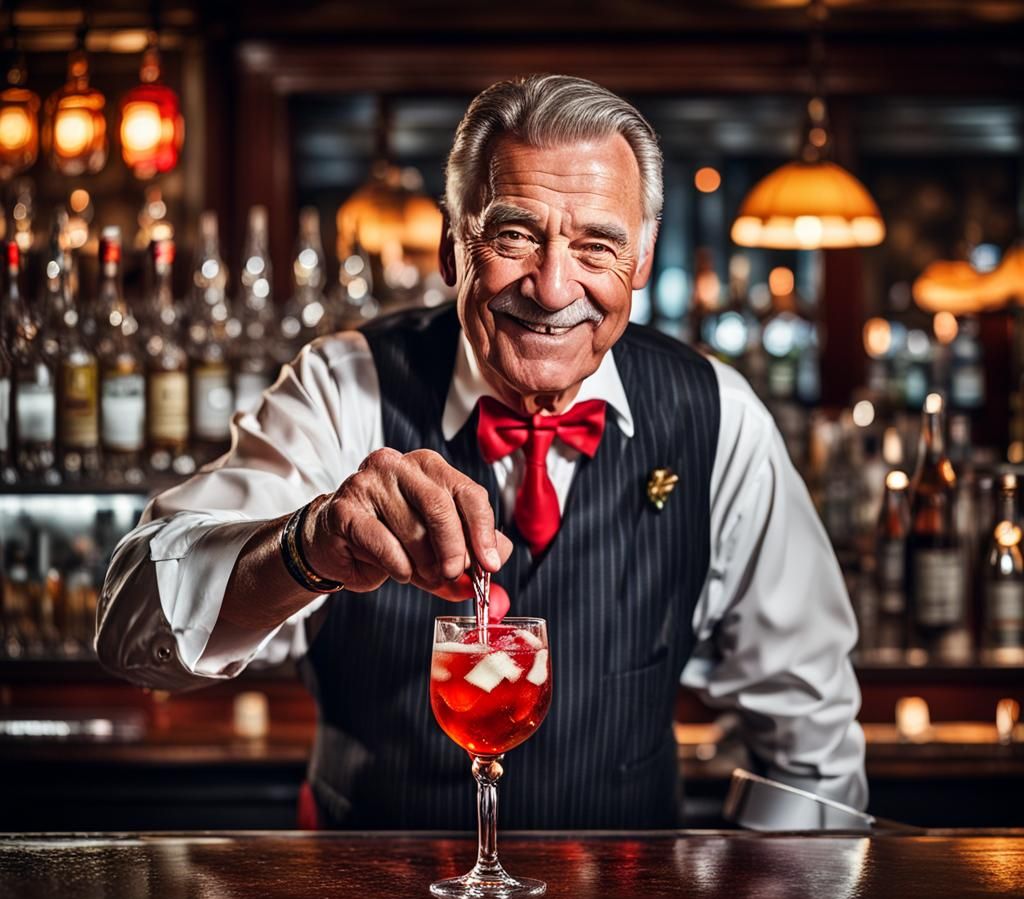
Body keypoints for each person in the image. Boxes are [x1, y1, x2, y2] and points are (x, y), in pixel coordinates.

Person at [97, 74, 867, 829]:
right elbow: (134, 631)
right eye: (515, 236)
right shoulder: (347, 385)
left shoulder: (718, 414)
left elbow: (809, 728)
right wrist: (308, 546)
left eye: (598, 247)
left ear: (642, 259)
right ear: (450, 245)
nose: (553, 287)